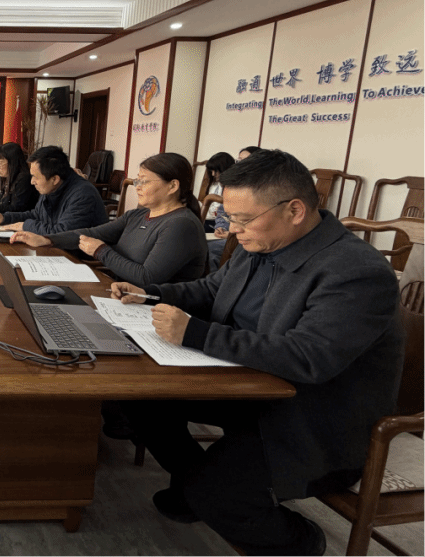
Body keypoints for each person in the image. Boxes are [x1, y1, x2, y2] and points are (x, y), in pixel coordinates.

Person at [110, 149, 402, 557]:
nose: (233, 229)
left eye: (244, 219)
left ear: (295, 210)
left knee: (216, 494)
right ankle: (199, 486)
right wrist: (149, 294)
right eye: (231, 217)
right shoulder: (261, 242)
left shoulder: (355, 271)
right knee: (137, 398)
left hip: (312, 416)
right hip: (248, 386)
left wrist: (196, 333)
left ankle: (300, 540)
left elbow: (309, 357)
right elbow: (210, 290)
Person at [11, 153, 207, 285]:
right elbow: (93, 233)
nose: (137, 186)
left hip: (156, 312)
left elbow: (146, 278)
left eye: (144, 181)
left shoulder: (181, 224)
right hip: (120, 293)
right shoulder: (137, 215)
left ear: (173, 186)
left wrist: (101, 251)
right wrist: (47, 240)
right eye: (137, 180)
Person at [0, 146, 107, 235]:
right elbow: (36, 215)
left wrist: (25, 226)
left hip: (78, 257)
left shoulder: (83, 194)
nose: (32, 182)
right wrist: (5, 218)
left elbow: (62, 233)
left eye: (35, 177)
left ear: (55, 179)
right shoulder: (51, 187)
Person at [208, 145, 259, 268]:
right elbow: (222, 211)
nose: (240, 164)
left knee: (209, 250)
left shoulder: (261, 188)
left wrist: (232, 235)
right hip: (230, 234)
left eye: (246, 160)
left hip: (243, 238)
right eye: (239, 160)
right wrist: (220, 226)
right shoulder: (234, 183)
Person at [202, 151, 236, 228]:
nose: (213, 174)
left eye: (216, 171)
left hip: (219, 222)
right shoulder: (214, 184)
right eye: (211, 171)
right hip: (210, 219)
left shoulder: (233, 188)